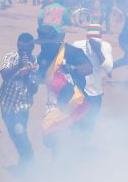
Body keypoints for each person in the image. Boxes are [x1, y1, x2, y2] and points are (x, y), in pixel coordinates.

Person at [35, 25, 93, 155]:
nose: (44, 47)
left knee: (76, 140)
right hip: (55, 105)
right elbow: (42, 78)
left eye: (47, 44)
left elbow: (89, 69)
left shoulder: (71, 52)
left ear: (56, 40)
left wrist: (71, 68)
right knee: (50, 140)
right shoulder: (42, 57)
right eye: (42, 44)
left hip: (75, 102)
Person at [0, 33, 38, 166]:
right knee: (12, 133)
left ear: (32, 47)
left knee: (20, 131)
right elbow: (5, 76)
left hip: (22, 103)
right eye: (21, 49)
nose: (24, 52)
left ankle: (29, 159)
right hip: (7, 101)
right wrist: (19, 65)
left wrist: (29, 75)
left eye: (27, 49)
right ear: (17, 46)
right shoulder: (11, 57)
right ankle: (23, 157)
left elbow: (34, 90)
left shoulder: (35, 63)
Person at [72, 24, 112, 130]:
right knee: (76, 122)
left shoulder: (105, 46)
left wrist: (98, 51)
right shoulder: (77, 45)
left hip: (95, 94)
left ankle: (84, 143)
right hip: (78, 92)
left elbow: (108, 68)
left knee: (90, 122)